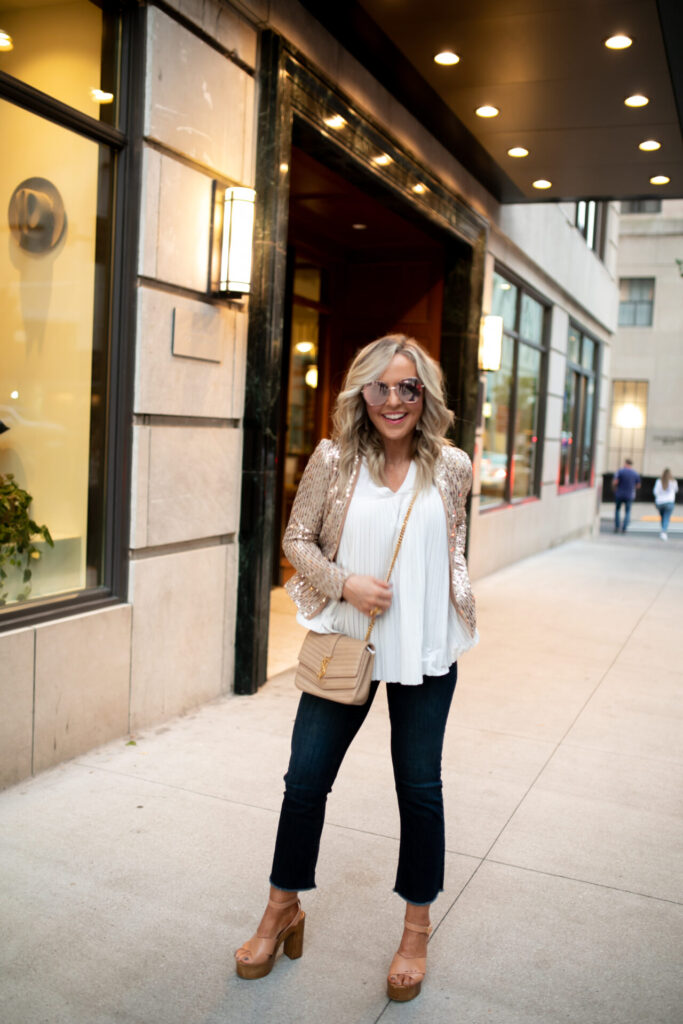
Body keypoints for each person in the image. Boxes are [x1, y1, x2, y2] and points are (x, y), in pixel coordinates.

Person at [234, 334, 478, 1002]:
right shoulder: (334, 459)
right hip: (348, 641)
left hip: (425, 651)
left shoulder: (453, 466)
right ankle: (282, 907)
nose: (394, 400)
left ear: (424, 394)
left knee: (419, 789)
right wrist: (343, 583)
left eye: (408, 388)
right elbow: (293, 539)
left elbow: (452, 549)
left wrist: (451, 607)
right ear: (359, 393)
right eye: (380, 387)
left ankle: (415, 929)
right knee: (304, 781)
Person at [612, 458, 641, 532]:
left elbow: (615, 482)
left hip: (620, 494)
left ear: (626, 463)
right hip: (629, 495)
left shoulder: (620, 471)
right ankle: (624, 527)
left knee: (617, 510)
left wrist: (615, 487)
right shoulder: (635, 473)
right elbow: (638, 485)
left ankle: (617, 526)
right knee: (627, 511)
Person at [653, 468, 678, 540]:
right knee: (666, 517)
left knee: (663, 516)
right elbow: (676, 490)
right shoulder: (673, 482)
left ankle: (663, 529)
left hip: (660, 502)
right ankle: (663, 531)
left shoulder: (658, 481)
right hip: (669, 502)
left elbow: (655, 492)